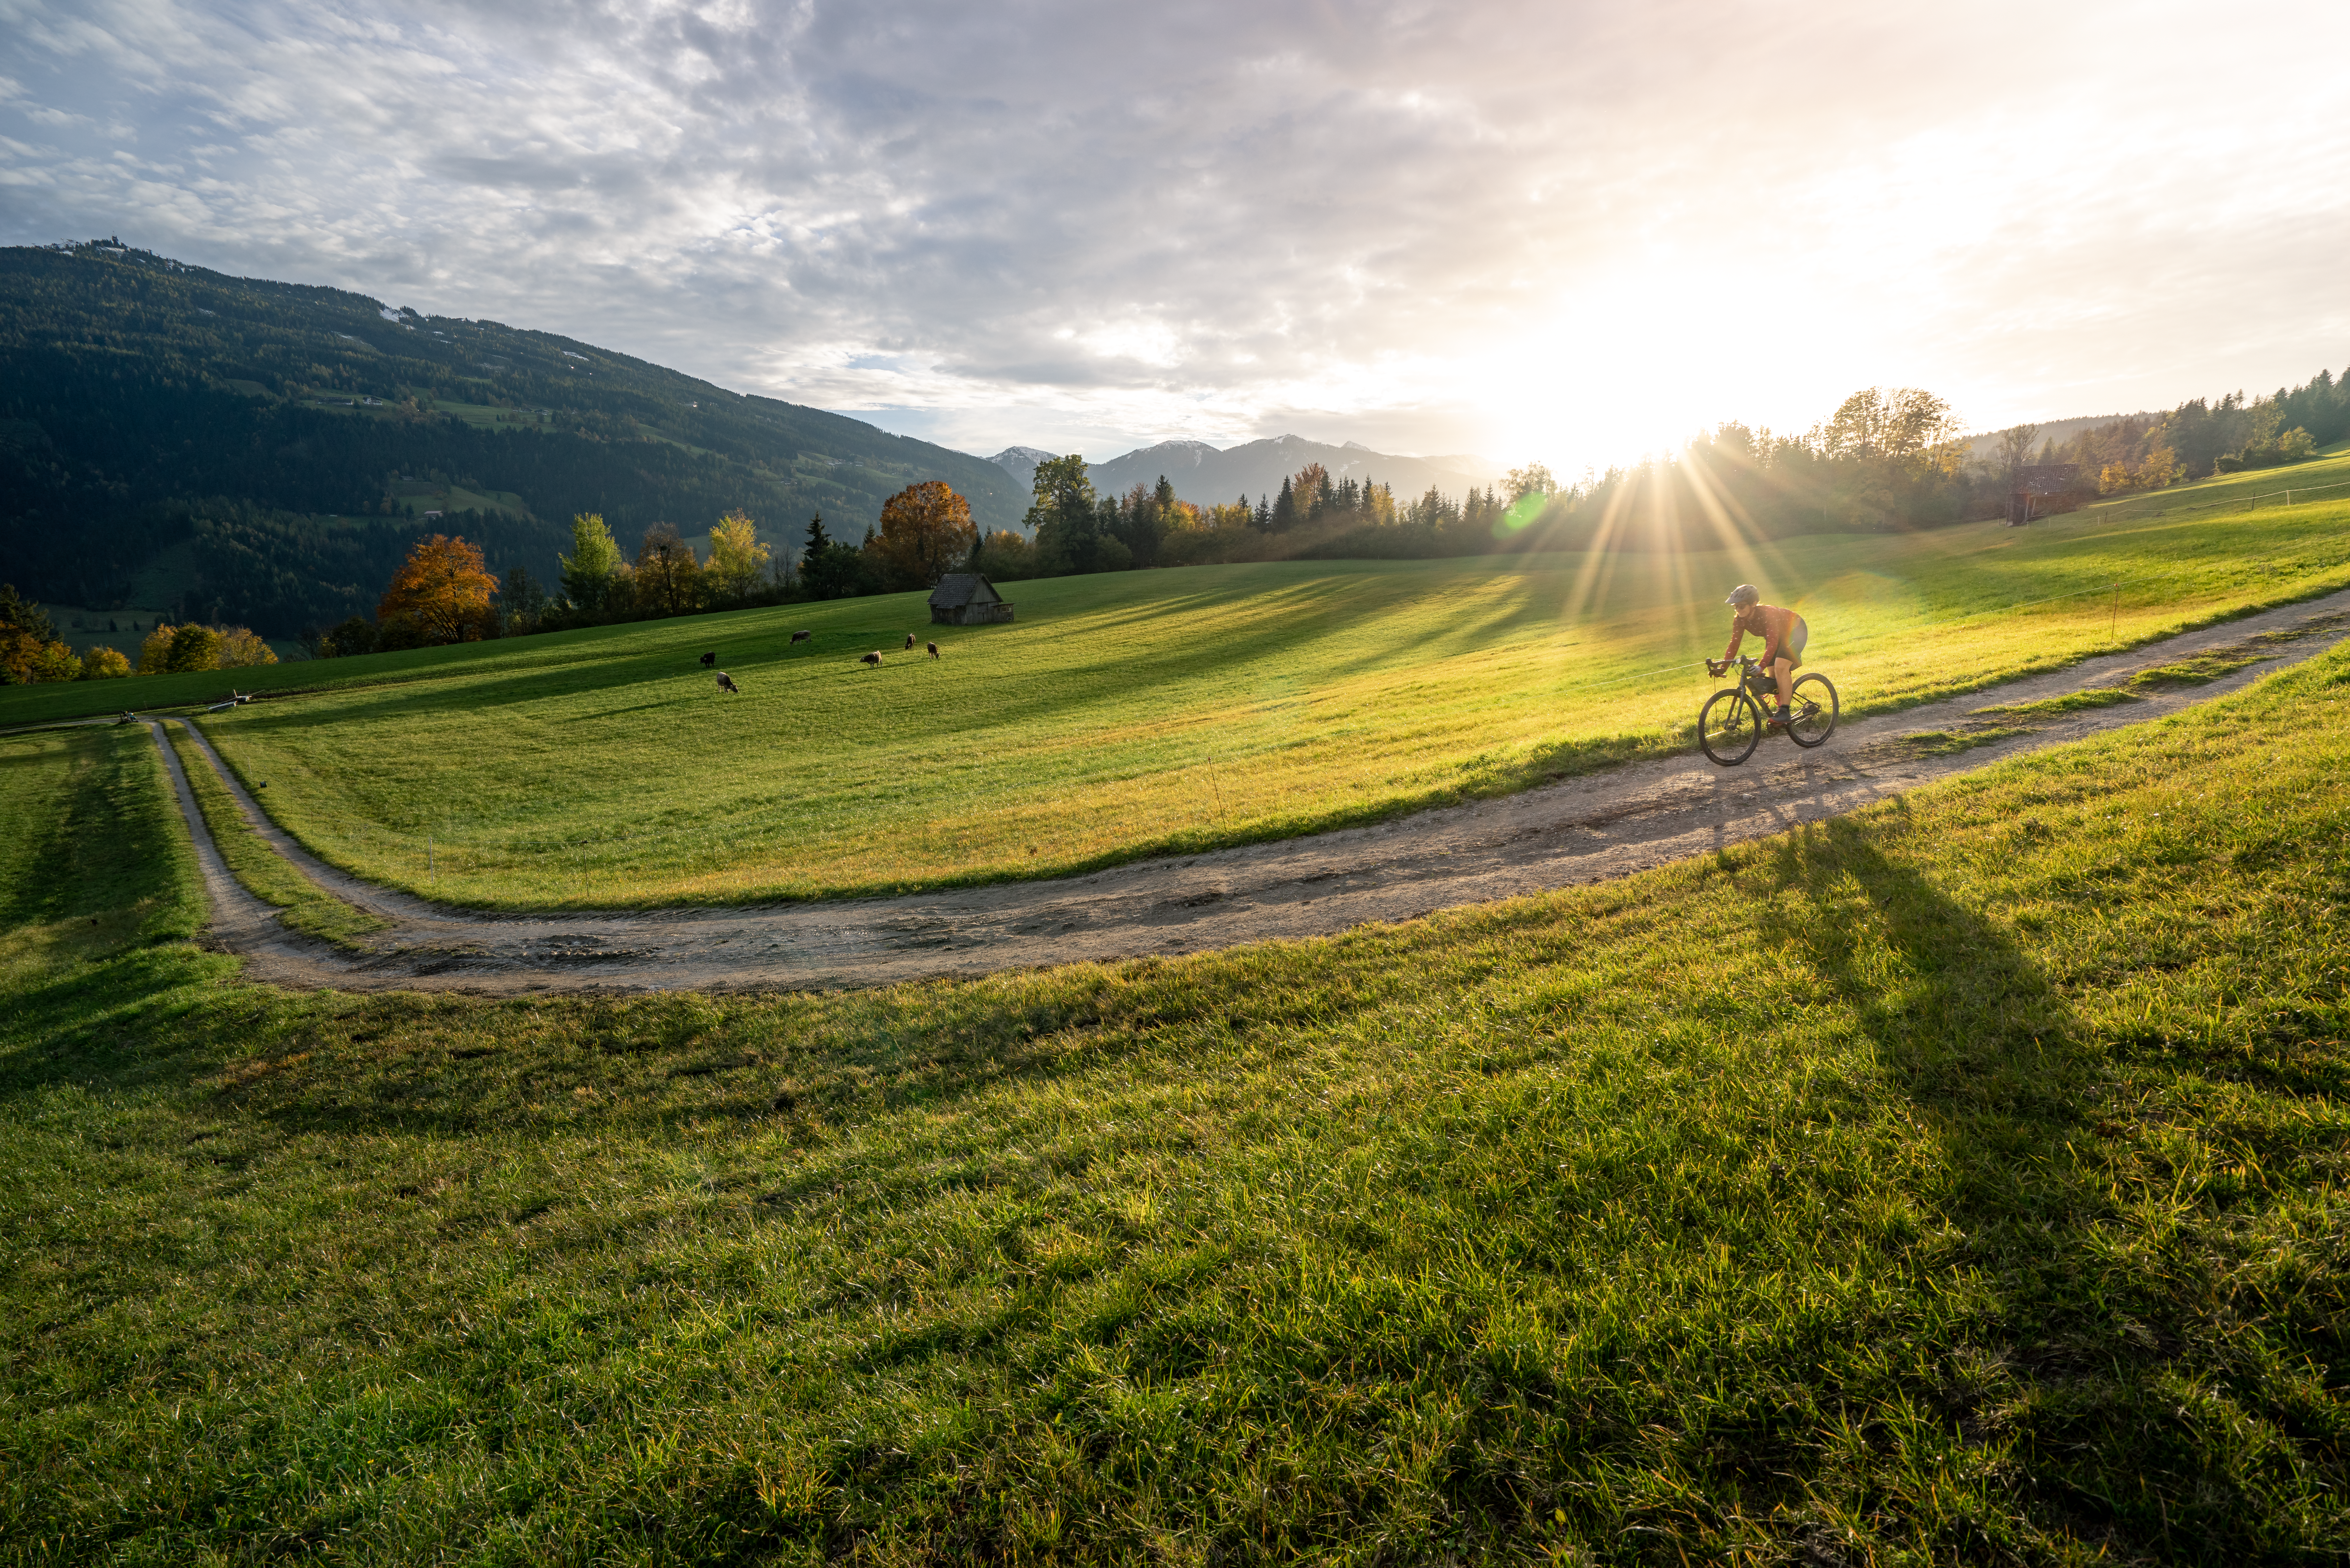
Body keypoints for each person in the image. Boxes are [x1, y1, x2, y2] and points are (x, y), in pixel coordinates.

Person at [1709, 584, 1807, 728]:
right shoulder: (1740, 620)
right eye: (1736, 607)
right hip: (1779, 637)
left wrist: (1761, 666)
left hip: (1796, 631)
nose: (1738, 610)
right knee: (1772, 675)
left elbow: (1773, 642)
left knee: (1780, 668)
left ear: (1754, 604)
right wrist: (1723, 668)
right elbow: (1734, 645)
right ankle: (1780, 716)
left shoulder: (1768, 614)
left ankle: (1785, 712)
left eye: (1742, 606)